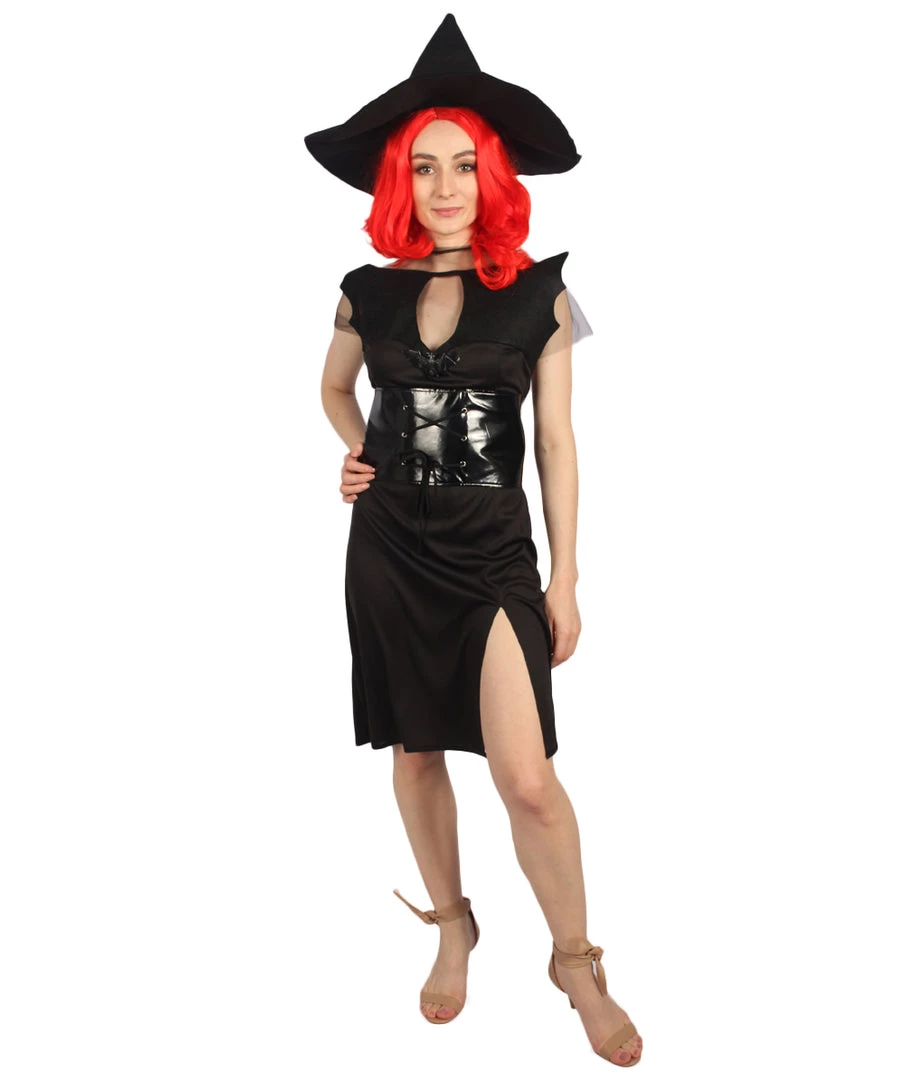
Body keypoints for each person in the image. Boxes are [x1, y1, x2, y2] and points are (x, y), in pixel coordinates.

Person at [307, 14, 642, 1067]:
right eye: (424, 166)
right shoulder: (365, 291)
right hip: (388, 549)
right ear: (399, 182)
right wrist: (357, 454)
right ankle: (452, 924)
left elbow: (556, 440)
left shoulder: (541, 291)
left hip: (493, 551)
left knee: (525, 777)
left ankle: (575, 960)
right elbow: (333, 390)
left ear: (491, 174)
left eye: (463, 164)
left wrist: (567, 578)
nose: (444, 185)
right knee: (414, 753)